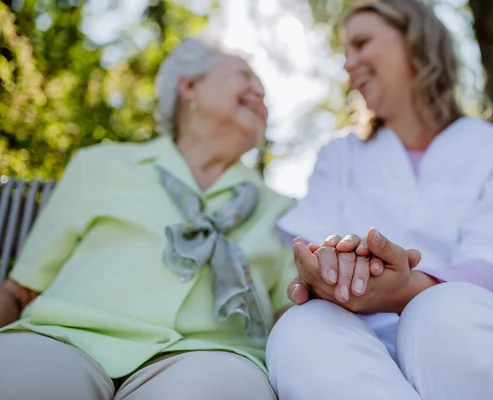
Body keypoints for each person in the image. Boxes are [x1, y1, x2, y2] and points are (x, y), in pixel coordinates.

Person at [267, 1, 493, 399]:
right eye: (345, 53)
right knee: (300, 330)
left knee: (440, 313)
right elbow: (314, 247)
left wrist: (406, 287)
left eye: (362, 43)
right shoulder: (339, 158)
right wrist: (328, 271)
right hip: (358, 341)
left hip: (479, 338)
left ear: (415, 39)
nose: (349, 65)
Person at [0, 37, 295, 400]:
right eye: (244, 76)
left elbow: (291, 315)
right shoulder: (100, 166)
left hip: (209, 358)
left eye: (264, 90)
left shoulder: (282, 208)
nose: (259, 93)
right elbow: (19, 291)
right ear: (189, 86)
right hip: (65, 338)